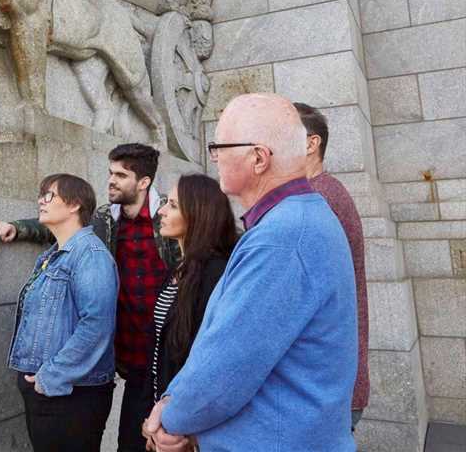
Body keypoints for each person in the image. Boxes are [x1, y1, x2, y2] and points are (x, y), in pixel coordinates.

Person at [143, 93, 358, 452]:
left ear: (258, 158)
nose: (215, 158)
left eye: (220, 147)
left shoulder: (283, 237)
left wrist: (172, 418)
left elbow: (228, 367)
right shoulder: (293, 222)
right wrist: (172, 403)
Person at [0, 143, 180, 452]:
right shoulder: (105, 221)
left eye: (121, 175)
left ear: (143, 182)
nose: (111, 180)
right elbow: (67, 228)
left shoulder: (165, 220)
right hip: (128, 352)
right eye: (110, 173)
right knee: (131, 444)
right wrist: (18, 227)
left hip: (165, 351)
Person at [7, 173, 119, 452]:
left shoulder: (90, 254)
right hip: (50, 392)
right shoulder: (53, 255)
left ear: (74, 205)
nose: (41, 201)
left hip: (71, 394)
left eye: (50, 195)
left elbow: (96, 325)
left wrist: (50, 376)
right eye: (41, 195)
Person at [142, 174, 237, 451]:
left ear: (197, 213)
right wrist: (154, 419)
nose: (161, 211)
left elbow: (211, 360)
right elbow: (160, 349)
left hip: (190, 427)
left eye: (172, 205)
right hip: (165, 419)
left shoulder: (216, 273)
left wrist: (186, 427)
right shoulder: (178, 270)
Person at [295, 102, 370, 431]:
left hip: (325, 391)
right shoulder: (320, 192)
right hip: (329, 386)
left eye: (283, 134)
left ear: (312, 143)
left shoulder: (318, 197)